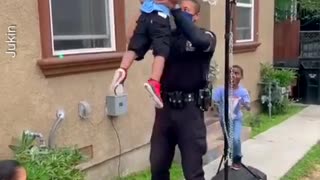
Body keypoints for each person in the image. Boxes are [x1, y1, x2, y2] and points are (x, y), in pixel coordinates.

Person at [143, 0, 217, 179]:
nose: (179, 13)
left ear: (196, 16)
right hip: (165, 109)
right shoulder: (166, 37)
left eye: (186, 10)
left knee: (193, 173)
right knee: (158, 168)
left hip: (190, 112)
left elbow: (199, 40)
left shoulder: (206, 35)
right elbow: (136, 39)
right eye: (178, 8)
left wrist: (175, 9)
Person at [110, 0, 178, 109]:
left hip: (143, 17)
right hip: (159, 17)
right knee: (161, 51)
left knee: (133, 48)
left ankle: (122, 69)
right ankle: (154, 81)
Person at [212, 65, 251, 170]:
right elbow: (214, 102)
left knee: (236, 138)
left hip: (236, 119)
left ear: (241, 76)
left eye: (236, 73)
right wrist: (216, 107)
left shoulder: (243, 92)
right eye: (231, 73)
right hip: (224, 120)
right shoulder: (221, 90)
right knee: (229, 140)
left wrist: (245, 104)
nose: (233, 75)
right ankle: (228, 156)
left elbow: (248, 107)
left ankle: (237, 159)